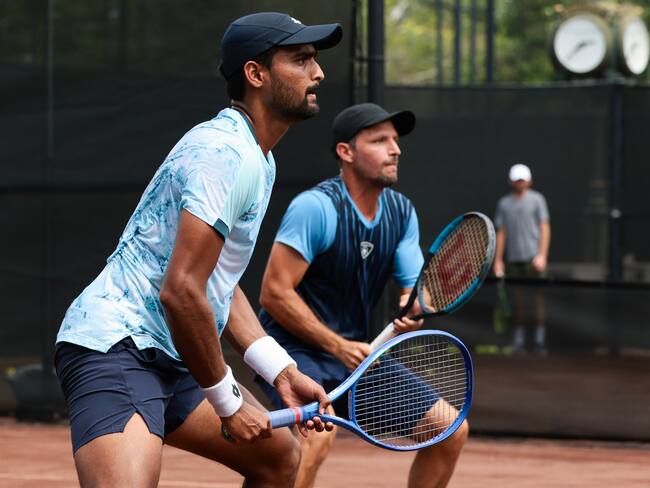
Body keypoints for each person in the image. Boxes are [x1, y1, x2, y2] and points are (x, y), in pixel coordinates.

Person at [54, 12, 342, 488]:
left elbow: (215, 281)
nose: (318, 73)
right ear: (256, 74)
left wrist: (280, 371)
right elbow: (181, 291)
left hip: (172, 354)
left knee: (277, 458)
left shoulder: (258, 158)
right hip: (117, 346)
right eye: (301, 59)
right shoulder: (224, 155)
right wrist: (228, 402)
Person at [256, 103, 469, 488]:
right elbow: (274, 294)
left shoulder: (401, 213)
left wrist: (411, 310)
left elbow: (411, 292)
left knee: (450, 430)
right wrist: (337, 345)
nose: (395, 149)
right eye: (380, 140)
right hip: (293, 353)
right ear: (346, 152)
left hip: (357, 355)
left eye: (396, 140)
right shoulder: (315, 208)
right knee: (316, 436)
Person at [493, 163, 551, 354]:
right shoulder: (504, 203)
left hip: (534, 261)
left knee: (538, 301)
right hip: (514, 261)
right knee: (518, 301)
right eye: (517, 179)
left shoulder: (537, 200)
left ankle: (539, 341)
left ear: (529, 181)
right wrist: (498, 260)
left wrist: (541, 255)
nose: (521, 183)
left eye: (523, 179)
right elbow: (501, 232)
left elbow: (544, 227)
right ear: (512, 181)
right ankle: (519, 342)